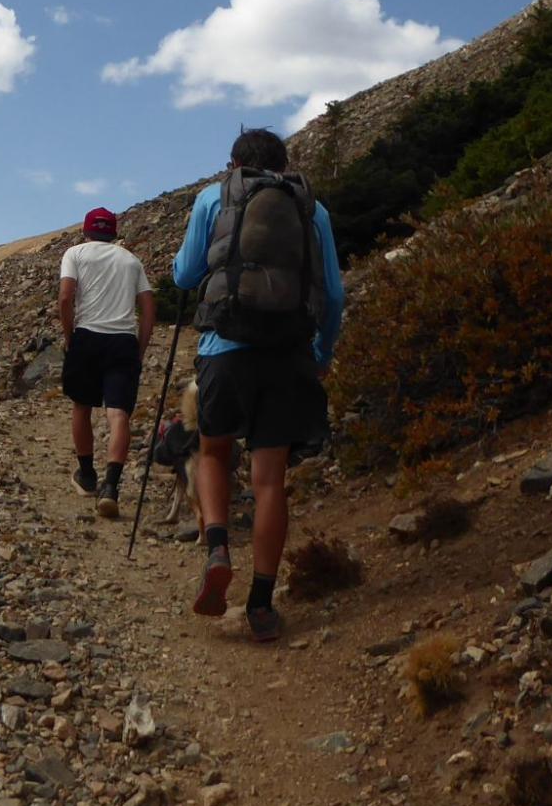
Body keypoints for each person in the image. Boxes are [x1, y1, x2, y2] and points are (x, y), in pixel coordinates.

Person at [170, 128, 344, 642]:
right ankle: (262, 604)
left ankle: (219, 547)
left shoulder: (213, 198)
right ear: (285, 162)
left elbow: (183, 275)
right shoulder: (313, 209)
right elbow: (333, 294)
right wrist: (322, 354)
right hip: (288, 353)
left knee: (215, 451)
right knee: (270, 479)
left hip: (225, 350)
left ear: (234, 163)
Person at [59, 206, 155, 518]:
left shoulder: (75, 254)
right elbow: (148, 308)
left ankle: (87, 476)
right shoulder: (131, 260)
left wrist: (70, 336)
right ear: (113, 233)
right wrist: (139, 348)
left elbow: (65, 298)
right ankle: (111, 486)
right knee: (118, 414)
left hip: (87, 336)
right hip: (123, 341)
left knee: (82, 405)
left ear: (86, 231)